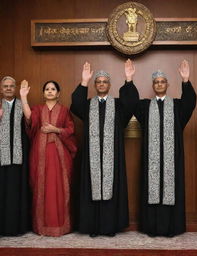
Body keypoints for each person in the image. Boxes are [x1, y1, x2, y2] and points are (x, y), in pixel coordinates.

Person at [70, 59, 139, 237]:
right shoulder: (87, 105)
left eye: (104, 81)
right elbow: (75, 105)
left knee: (111, 188)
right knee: (92, 188)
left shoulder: (118, 106)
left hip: (111, 156)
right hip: (92, 157)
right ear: (95, 85)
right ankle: (93, 227)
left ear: (109, 85)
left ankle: (110, 227)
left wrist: (129, 79)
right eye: (98, 82)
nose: (101, 84)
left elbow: (132, 103)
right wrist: (84, 81)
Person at [134, 60, 196, 237]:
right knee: (152, 189)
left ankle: (171, 227)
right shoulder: (145, 106)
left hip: (171, 159)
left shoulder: (177, 106)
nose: (159, 84)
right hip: (152, 158)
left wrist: (185, 80)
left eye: (162, 81)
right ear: (153, 85)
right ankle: (151, 227)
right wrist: (129, 80)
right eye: (156, 82)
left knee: (171, 189)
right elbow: (129, 103)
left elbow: (190, 102)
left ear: (167, 85)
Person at [20, 80, 77, 237]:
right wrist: (24, 97)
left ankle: (62, 226)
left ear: (58, 93)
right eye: (47, 89)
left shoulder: (65, 111)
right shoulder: (38, 109)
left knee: (59, 187)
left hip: (60, 157)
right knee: (41, 185)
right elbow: (30, 120)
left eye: (53, 89)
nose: (50, 91)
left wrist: (55, 129)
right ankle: (42, 226)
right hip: (40, 155)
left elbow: (70, 130)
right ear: (43, 93)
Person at [0, 76, 30, 236]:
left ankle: (16, 227)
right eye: (5, 86)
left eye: (12, 86)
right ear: (1, 88)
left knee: (16, 191)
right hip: (1, 156)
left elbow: (31, 122)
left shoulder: (21, 104)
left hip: (19, 155)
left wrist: (24, 97)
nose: (9, 88)